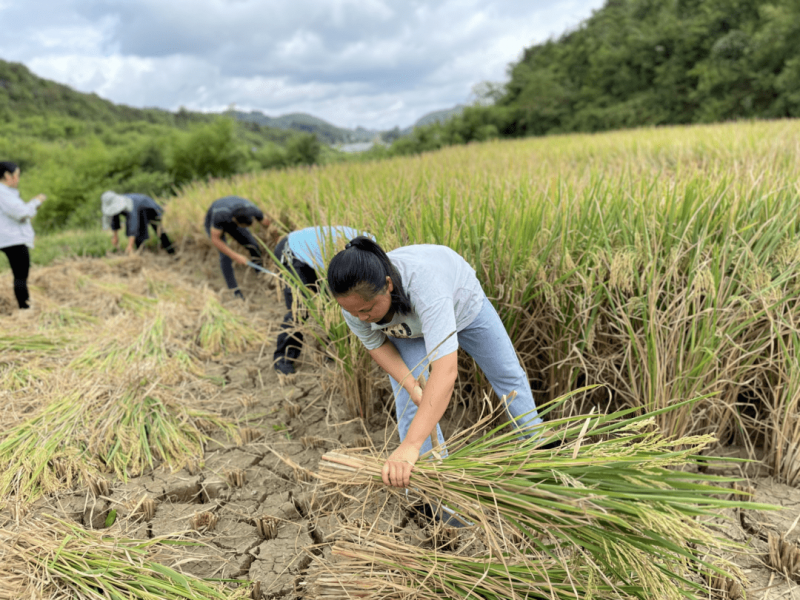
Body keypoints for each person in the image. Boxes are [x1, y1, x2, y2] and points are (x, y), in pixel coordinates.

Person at [327, 237, 543, 489]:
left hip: (463, 306)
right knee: (409, 403)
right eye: (355, 313)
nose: (362, 318)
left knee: (507, 375)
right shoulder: (354, 305)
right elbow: (377, 345)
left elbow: (445, 372)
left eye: (368, 309)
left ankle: (540, 449)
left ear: (387, 285)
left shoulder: (425, 285)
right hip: (407, 328)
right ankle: (436, 489)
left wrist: (409, 445)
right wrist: (411, 385)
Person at [273, 225, 372, 375]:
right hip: (293, 249)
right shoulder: (362, 253)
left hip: (313, 253)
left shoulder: (372, 250)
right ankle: (283, 359)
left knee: (333, 302)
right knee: (301, 307)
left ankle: (334, 349)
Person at [205, 196, 271, 300]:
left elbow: (267, 223)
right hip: (215, 220)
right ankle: (234, 291)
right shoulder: (220, 215)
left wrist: (276, 236)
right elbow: (215, 239)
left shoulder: (253, 209)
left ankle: (260, 274)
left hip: (233, 215)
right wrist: (235, 256)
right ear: (235, 221)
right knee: (225, 256)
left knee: (253, 245)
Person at [0, 161, 46, 309]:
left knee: (20, 276)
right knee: (20, 277)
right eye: (17, 175)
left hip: (7, 238)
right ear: (8, 176)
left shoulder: (6, 193)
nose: (18, 179)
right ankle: (25, 310)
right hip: (12, 239)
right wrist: (36, 202)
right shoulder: (3, 193)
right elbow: (22, 213)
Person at [101, 191, 175, 255]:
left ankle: (170, 251)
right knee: (139, 235)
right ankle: (142, 254)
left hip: (149, 207)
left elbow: (133, 224)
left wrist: (130, 245)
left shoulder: (129, 204)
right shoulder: (116, 206)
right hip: (138, 210)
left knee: (158, 229)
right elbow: (115, 220)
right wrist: (115, 236)